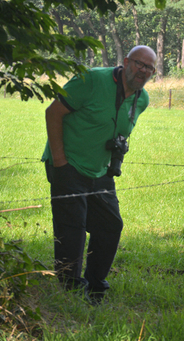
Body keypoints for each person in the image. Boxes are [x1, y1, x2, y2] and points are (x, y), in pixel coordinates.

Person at [42, 45, 157, 304]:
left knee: (110, 225)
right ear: (126, 62)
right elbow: (53, 113)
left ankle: (96, 286)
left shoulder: (142, 99)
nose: (143, 70)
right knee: (73, 228)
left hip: (101, 170)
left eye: (149, 67)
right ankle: (70, 289)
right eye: (139, 63)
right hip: (67, 163)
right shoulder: (92, 80)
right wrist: (60, 161)